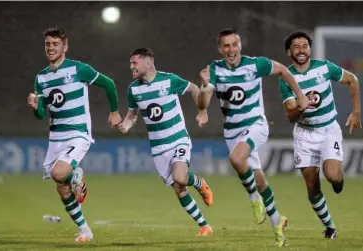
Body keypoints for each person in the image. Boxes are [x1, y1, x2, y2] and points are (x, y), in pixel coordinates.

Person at [197, 28, 310, 247]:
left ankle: (253, 198)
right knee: (259, 180)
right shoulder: (213, 71)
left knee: (237, 160)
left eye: (234, 44)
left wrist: (300, 95)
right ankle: (278, 222)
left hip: (256, 124)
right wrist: (203, 90)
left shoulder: (256, 64)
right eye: (226, 46)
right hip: (232, 132)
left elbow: (284, 72)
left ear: (240, 45)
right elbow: (203, 103)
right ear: (220, 49)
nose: (231, 49)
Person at [27, 27, 122, 243]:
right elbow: (41, 114)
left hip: (78, 132)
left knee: (59, 173)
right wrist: (35, 105)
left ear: (65, 47)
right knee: (61, 188)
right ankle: (85, 230)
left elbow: (108, 83)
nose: (51, 48)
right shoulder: (41, 78)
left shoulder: (79, 69)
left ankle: (75, 175)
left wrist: (114, 111)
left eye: (55, 44)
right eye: (48, 44)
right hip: (56, 137)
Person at [118, 48, 214, 237]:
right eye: (130, 63)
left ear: (148, 63)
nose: (131, 67)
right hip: (158, 147)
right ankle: (204, 226)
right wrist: (127, 124)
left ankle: (200, 183)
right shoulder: (133, 89)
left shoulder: (169, 80)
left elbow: (194, 88)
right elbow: (132, 114)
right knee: (179, 189)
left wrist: (202, 111)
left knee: (180, 177)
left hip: (178, 139)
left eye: (134, 63)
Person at [279, 30, 362, 239]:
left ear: (310, 49)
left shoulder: (324, 67)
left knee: (332, 175)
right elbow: (290, 115)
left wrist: (356, 111)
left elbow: (353, 79)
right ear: (289, 51)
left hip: (328, 129)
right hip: (304, 134)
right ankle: (330, 226)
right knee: (312, 184)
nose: (301, 50)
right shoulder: (286, 78)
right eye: (296, 47)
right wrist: (301, 107)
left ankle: (338, 181)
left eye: (305, 46)